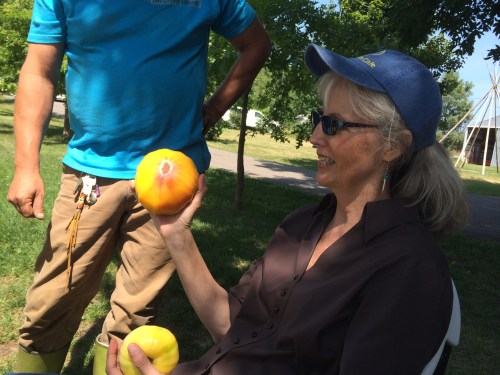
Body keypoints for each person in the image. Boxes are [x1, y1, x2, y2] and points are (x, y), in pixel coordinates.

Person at [106, 43, 469, 375]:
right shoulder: (302, 225)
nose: (314, 136)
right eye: (318, 118)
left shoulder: (410, 268)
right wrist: (176, 234)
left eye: (334, 124)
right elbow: (230, 326)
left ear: (392, 146)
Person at [6, 0, 271, 373]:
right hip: (90, 175)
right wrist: (25, 165)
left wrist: (215, 108)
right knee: (53, 299)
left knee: (135, 314)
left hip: (173, 179)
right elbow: (39, 71)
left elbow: (257, 43)